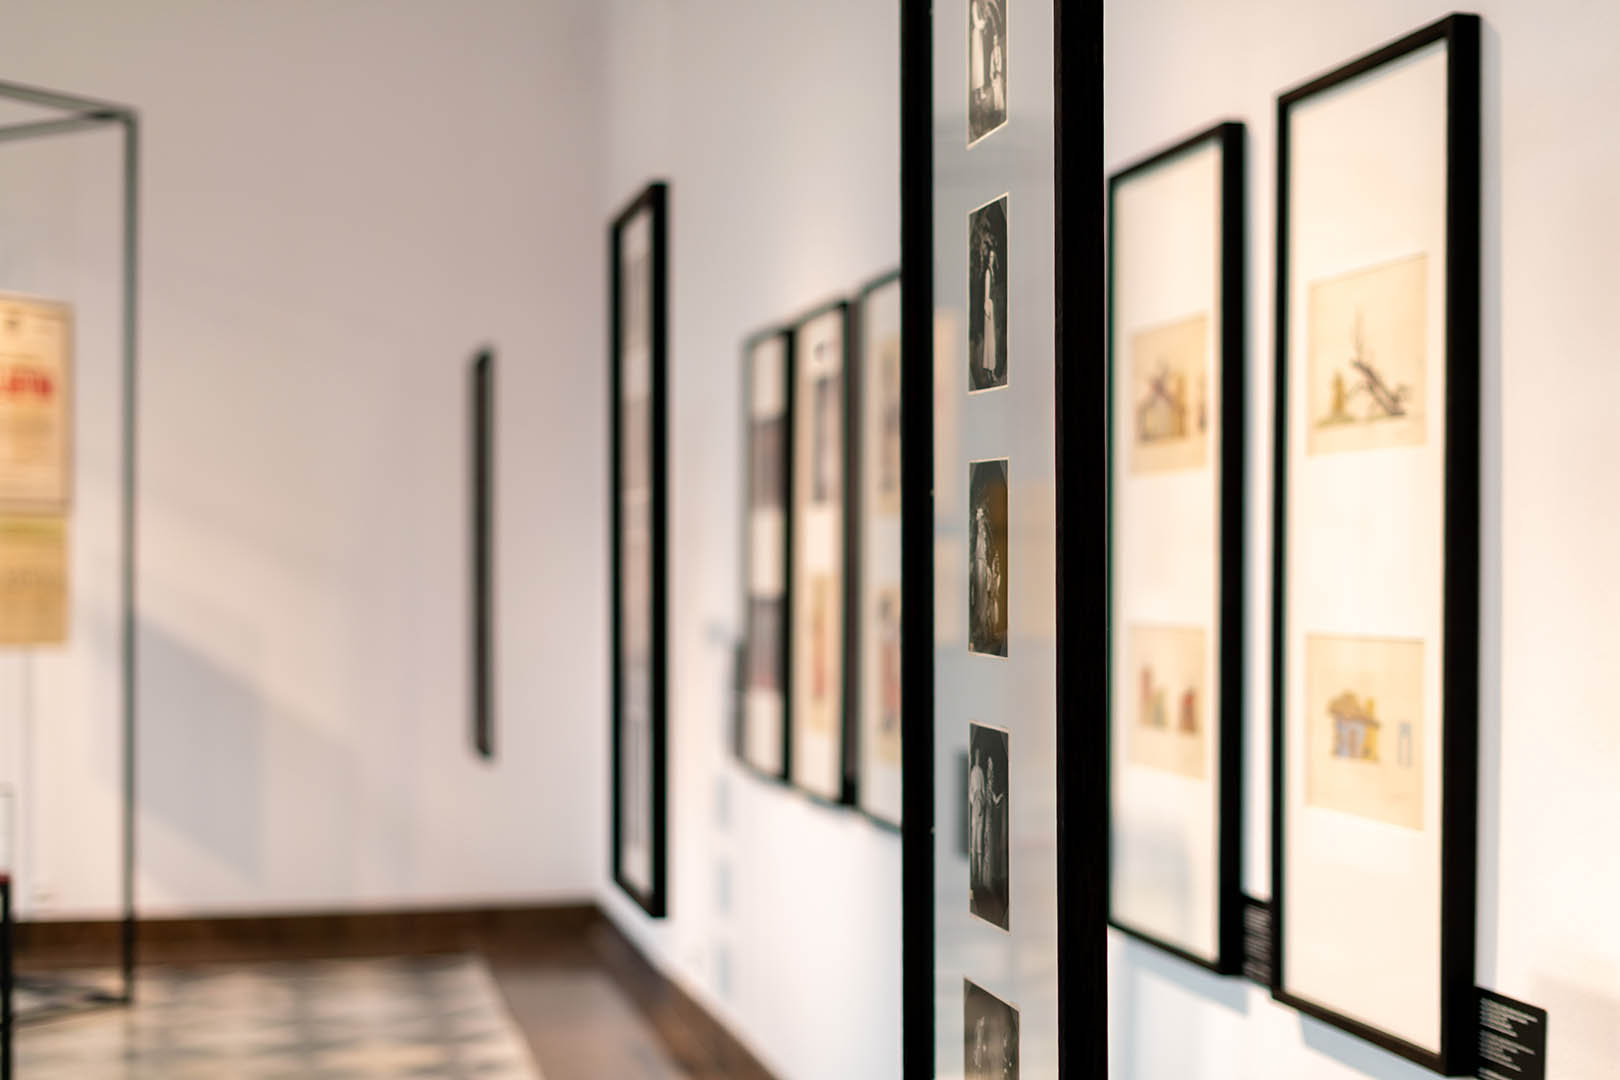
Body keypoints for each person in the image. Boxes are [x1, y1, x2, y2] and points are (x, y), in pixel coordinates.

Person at [968, 749, 986, 890]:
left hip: (980, 807)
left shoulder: (980, 772)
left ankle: (979, 877)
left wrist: (981, 801)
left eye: (979, 756)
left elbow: (983, 789)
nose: (978, 758)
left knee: (979, 845)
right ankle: (974, 875)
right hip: (975, 806)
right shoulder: (973, 772)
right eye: (976, 756)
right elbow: (971, 791)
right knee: (974, 844)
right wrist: (975, 800)